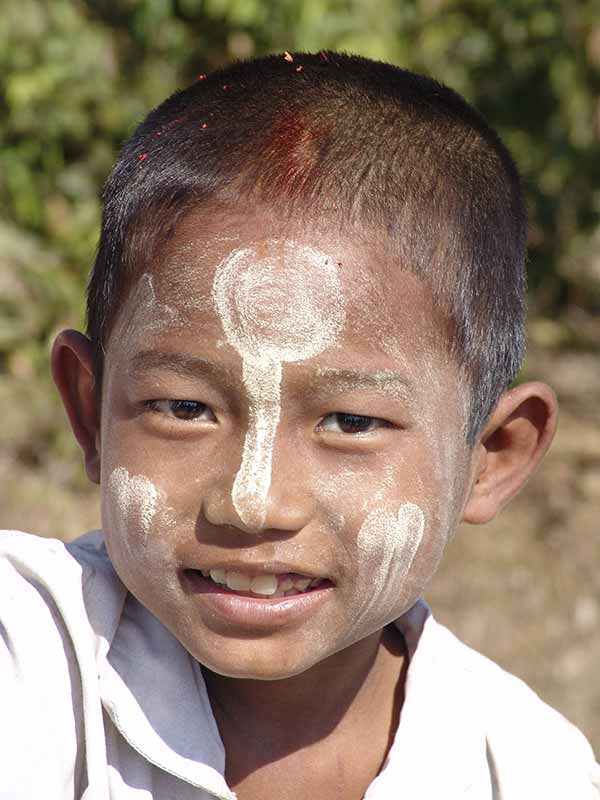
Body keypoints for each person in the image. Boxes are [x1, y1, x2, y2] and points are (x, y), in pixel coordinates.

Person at [1, 51, 598, 800]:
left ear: (491, 456)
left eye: (350, 421)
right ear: (89, 412)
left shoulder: (530, 773)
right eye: (185, 409)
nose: (253, 502)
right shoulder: (28, 663)